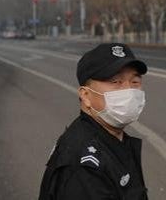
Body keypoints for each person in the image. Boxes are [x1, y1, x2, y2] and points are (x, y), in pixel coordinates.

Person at [39, 43, 149, 200]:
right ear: (85, 95)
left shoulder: (112, 139)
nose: (128, 91)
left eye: (135, 82)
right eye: (115, 82)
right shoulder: (83, 167)